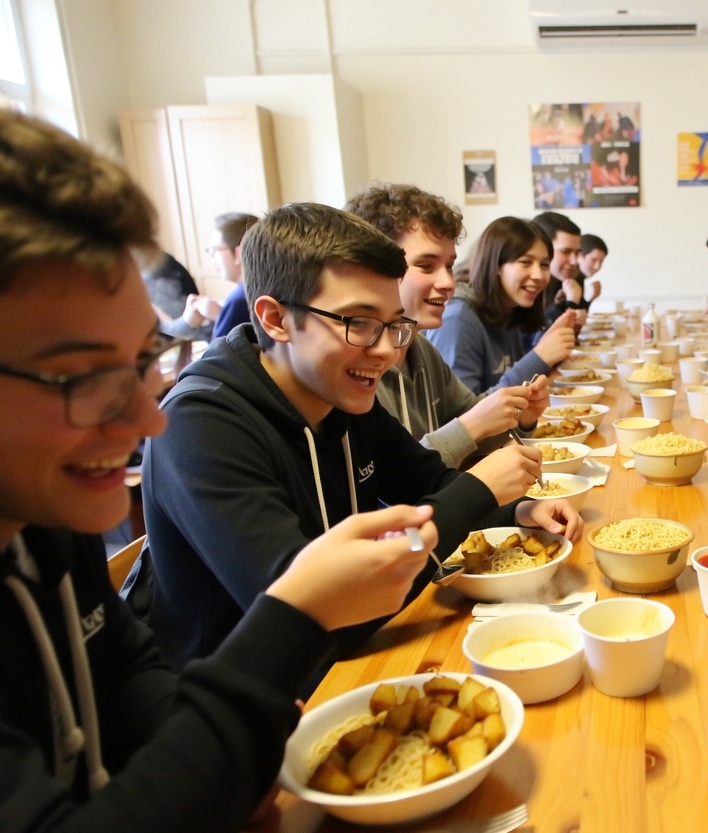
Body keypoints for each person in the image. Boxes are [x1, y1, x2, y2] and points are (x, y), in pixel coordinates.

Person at [0, 91, 440, 833]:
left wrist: (220, 767)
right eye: (77, 376)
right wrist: (292, 620)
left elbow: (129, 678)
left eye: (141, 361)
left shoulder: (28, 503)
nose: (145, 422)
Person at [143, 203, 580, 677]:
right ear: (275, 319)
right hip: (253, 704)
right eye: (358, 322)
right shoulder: (200, 428)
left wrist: (515, 511)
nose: (387, 351)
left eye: (394, 325)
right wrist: (479, 490)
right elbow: (318, 617)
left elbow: (426, 485)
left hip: (352, 661)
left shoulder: (341, 396)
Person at [344, 183, 550, 468]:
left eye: (449, 266)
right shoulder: (356, 366)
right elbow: (389, 482)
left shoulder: (421, 348)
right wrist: (471, 426)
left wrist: (521, 415)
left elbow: (471, 419)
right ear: (373, 268)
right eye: (426, 266)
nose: (448, 283)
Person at [431, 216, 577, 393]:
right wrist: (539, 357)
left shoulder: (510, 309)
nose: (538, 275)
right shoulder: (458, 319)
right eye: (525, 262)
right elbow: (465, 416)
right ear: (496, 265)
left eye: (544, 265)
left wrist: (552, 350)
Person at [208, 211, 261, 337]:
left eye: (215, 249)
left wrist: (220, 317)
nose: (211, 256)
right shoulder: (264, 287)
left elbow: (217, 354)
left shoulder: (239, 300)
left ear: (239, 253)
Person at [533, 211, 585, 327]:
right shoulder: (524, 285)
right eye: (565, 251)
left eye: (577, 252)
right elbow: (538, 340)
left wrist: (560, 306)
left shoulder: (559, 281)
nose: (574, 261)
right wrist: (571, 304)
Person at [578, 232, 608, 304]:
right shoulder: (567, 279)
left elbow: (579, 312)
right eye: (593, 260)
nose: (597, 266)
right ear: (579, 256)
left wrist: (592, 298)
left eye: (601, 261)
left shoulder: (580, 279)